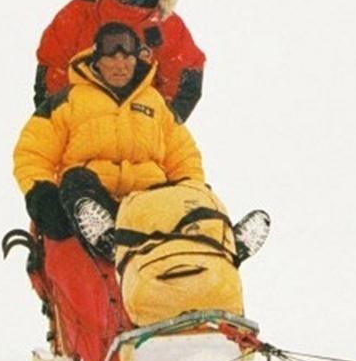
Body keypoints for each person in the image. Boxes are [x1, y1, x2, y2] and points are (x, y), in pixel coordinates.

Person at [14, 22, 266, 261]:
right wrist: (40, 194)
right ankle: (107, 237)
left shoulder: (155, 104)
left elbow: (184, 156)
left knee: (194, 194)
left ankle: (223, 242)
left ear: (136, 61)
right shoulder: (68, 101)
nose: (119, 65)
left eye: (127, 58)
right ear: (96, 60)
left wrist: (191, 192)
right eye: (111, 57)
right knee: (75, 180)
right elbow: (32, 152)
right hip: (94, 202)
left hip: (148, 201)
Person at [34, 0, 207, 122]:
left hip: (143, 132)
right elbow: (53, 69)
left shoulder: (166, 23)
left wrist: (160, 125)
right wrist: (59, 122)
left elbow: (185, 74)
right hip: (84, 128)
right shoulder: (76, 15)